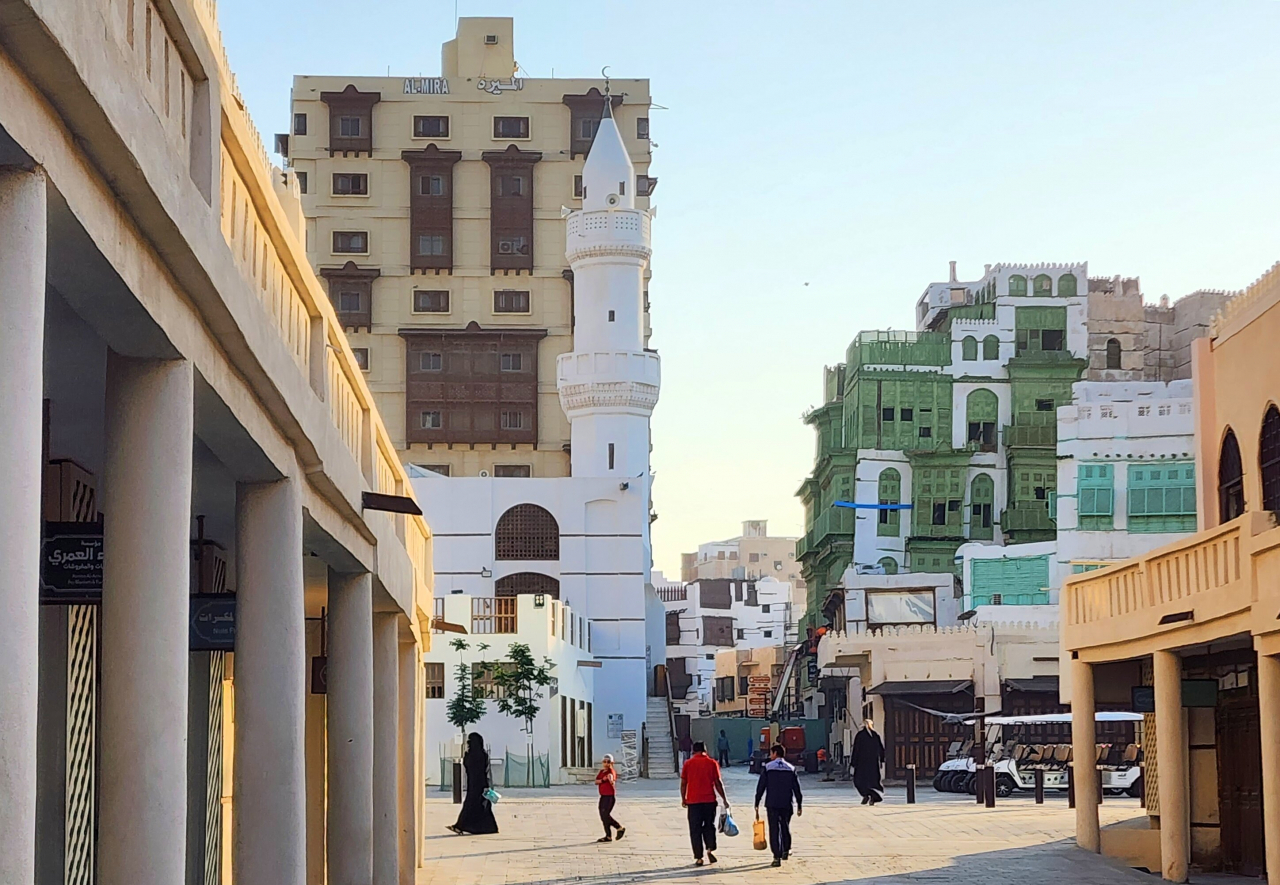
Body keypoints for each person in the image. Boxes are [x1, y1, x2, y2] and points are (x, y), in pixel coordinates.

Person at [680, 740, 729, 866]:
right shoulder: (712, 763)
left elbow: (684, 783)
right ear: (704, 750)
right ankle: (710, 848)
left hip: (693, 801)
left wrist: (683, 798)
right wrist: (724, 799)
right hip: (709, 801)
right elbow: (718, 782)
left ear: (693, 750)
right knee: (709, 826)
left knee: (695, 829)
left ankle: (698, 857)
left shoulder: (688, 764)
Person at [754, 744, 803, 866]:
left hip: (772, 803)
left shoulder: (768, 767)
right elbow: (796, 788)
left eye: (771, 753)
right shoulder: (790, 768)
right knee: (785, 826)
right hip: (786, 803)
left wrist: (757, 801)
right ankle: (786, 849)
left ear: (775, 753)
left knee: (774, 829)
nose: (770, 756)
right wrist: (799, 804)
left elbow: (761, 786)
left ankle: (776, 856)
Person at [448, 733, 499, 834]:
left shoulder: (470, 755)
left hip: (473, 783)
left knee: (471, 804)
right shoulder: (484, 754)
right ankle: (488, 827)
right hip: (482, 783)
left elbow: (467, 767)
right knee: (482, 805)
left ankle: (461, 825)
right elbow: (485, 770)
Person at [851, 718, 885, 805]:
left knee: (859, 781)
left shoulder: (861, 735)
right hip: (873, 763)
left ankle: (869, 795)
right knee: (871, 782)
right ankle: (871, 796)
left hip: (862, 764)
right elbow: (881, 749)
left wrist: (853, 762)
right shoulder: (875, 735)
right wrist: (881, 759)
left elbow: (856, 750)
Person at [595, 754, 626, 842]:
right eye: (604, 761)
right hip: (603, 796)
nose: (606, 763)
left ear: (612, 763)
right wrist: (603, 780)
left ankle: (619, 827)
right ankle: (608, 836)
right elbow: (596, 781)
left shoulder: (611, 771)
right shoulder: (601, 772)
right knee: (603, 816)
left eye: (608, 762)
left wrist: (610, 780)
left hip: (609, 797)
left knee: (605, 815)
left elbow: (612, 780)